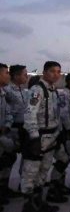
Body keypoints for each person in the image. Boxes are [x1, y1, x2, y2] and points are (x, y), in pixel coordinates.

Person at [21, 61, 63, 212]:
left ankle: (38, 201)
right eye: (52, 71)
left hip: (51, 137)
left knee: (44, 170)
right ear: (44, 72)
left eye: (58, 71)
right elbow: (29, 114)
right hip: (39, 137)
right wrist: (34, 137)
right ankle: (28, 204)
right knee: (31, 171)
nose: (56, 74)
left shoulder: (53, 90)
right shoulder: (37, 90)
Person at [47, 72, 70, 203]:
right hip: (62, 132)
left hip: (67, 131)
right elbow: (64, 114)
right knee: (63, 159)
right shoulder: (64, 94)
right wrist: (69, 130)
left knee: (65, 158)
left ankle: (59, 185)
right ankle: (53, 188)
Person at [3, 64, 28, 200]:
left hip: (22, 128)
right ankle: (3, 188)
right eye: (24, 74)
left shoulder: (23, 91)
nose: (26, 76)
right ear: (16, 76)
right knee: (8, 159)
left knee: (24, 159)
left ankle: (22, 185)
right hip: (11, 129)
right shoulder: (6, 90)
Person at [0, 63, 16, 209]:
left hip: (4, 133)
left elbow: (9, 112)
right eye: (5, 73)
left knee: (7, 160)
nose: (8, 76)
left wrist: (7, 125)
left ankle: (3, 190)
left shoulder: (3, 93)